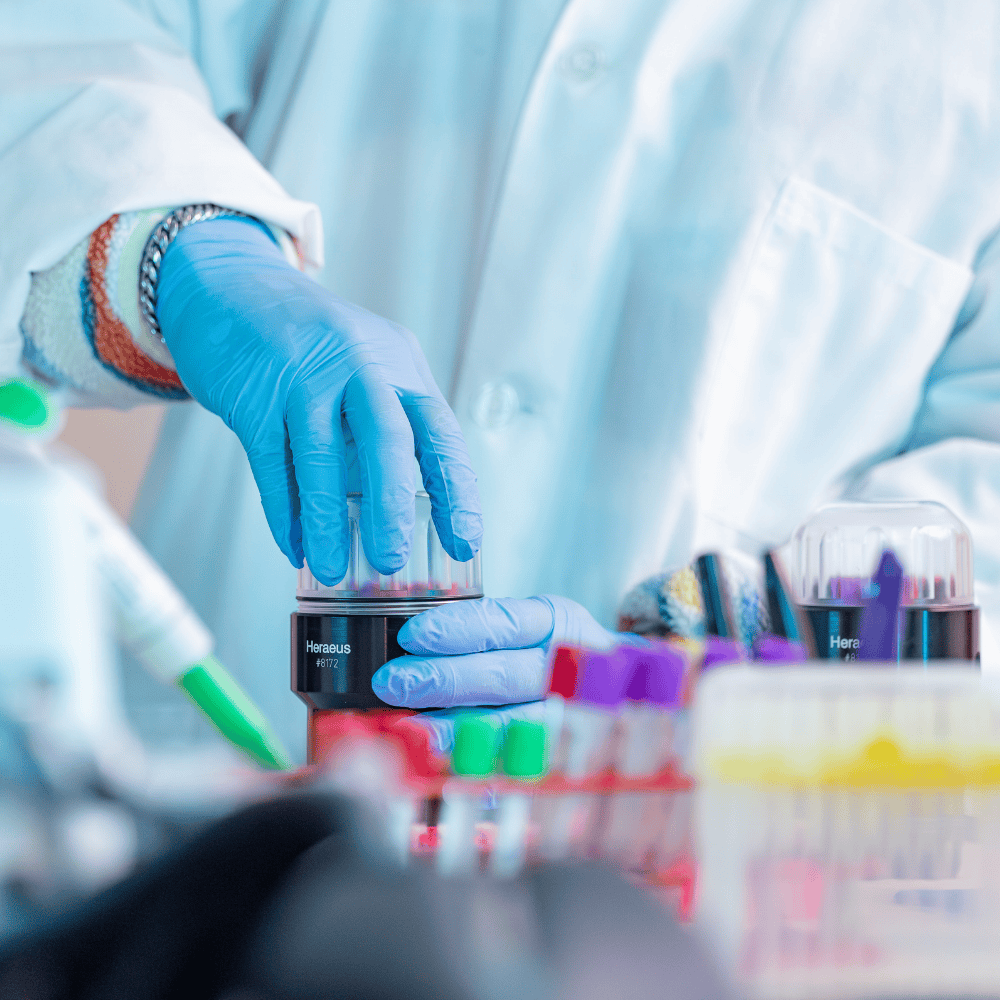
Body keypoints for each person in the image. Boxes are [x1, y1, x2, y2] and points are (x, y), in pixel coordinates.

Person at [5, 1, 1000, 761]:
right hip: (228, 798)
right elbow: (58, 34)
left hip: (709, 884)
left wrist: (683, 680)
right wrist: (183, 258)